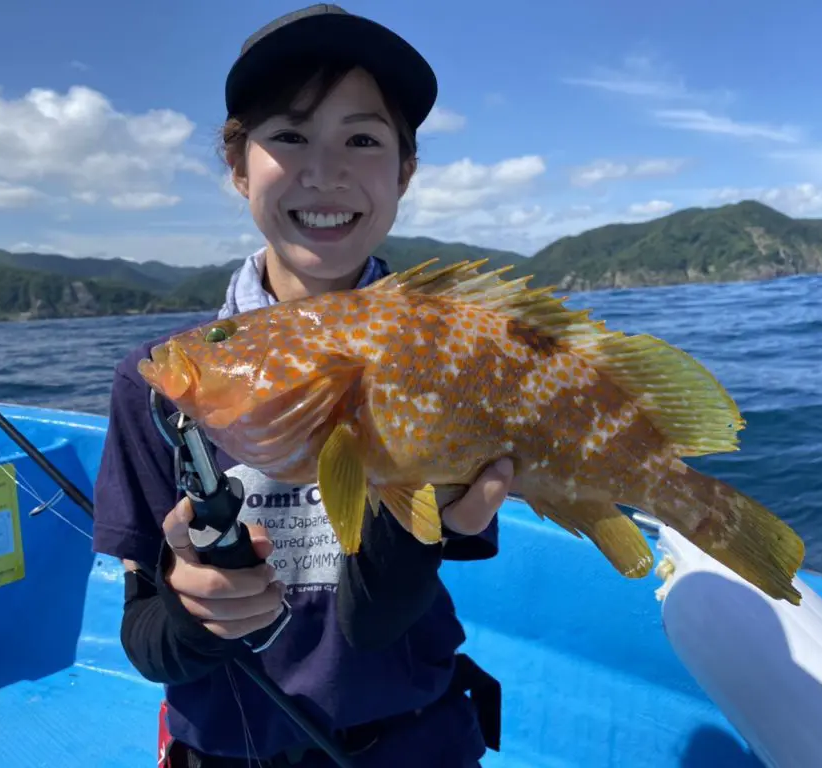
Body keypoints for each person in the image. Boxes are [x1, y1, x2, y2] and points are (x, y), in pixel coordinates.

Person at [91, 5, 512, 768]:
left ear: (404, 171)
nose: (324, 172)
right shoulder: (157, 384)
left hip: (417, 741)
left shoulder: (450, 356)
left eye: (362, 138)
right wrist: (192, 617)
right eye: (288, 135)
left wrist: (409, 535)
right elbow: (146, 639)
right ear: (237, 166)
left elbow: (383, 617)